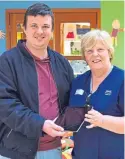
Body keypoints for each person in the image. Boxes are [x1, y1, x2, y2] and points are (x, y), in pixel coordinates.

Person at [0, 2, 74, 159]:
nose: (40, 31)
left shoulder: (62, 63)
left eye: (45, 26)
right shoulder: (7, 61)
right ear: (24, 29)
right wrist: (41, 124)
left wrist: (71, 122)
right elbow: (4, 104)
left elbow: (70, 101)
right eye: (34, 25)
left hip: (54, 149)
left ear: (52, 31)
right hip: (16, 150)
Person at [68, 29, 124, 159]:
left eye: (100, 49)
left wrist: (102, 120)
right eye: (89, 51)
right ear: (85, 56)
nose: (95, 54)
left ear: (109, 52)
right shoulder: (78, 82)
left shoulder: (121, 80)